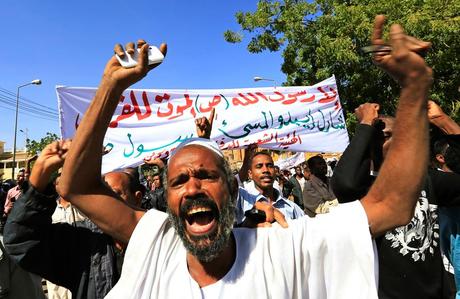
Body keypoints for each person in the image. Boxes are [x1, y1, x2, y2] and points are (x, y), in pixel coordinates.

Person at [57, 16, 432, 298]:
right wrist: (110, 87)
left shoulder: (284, 247)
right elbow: (76, 186)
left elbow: (392, 205)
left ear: (234, 188)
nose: (192, 188)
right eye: (179, 181)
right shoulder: (156, 241)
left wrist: (414, 88)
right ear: (167, 200)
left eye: (206, 176)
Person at [331, 99, 460, 298]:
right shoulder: (363, 189)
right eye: (387, 136)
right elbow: (344, 184)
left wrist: (442, 121)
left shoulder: (425, 180)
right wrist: (365, 124)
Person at [3, 140, 143, 299]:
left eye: (116, 194)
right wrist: (41, 173)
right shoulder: (86, 243)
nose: (107, 201)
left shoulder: (159, 238)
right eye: (102, 195)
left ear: (137, 198)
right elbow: (20, 240)